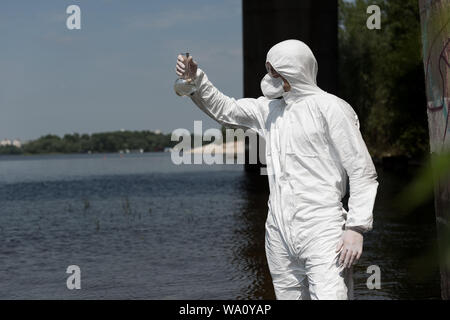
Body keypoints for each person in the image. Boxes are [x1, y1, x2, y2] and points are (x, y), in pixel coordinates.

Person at [175, 40, 378, 300]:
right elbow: (226, 109)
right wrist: (196, 80)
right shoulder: (270, 110)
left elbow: (362, 171)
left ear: (294, 69)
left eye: (274, 70)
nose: (269, 76)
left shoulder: (332, 108)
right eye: (269, 69)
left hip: (323, 227)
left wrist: (356, 228)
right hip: (278, 231)